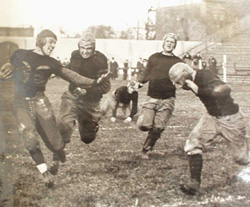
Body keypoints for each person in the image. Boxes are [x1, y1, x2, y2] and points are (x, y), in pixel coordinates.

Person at [6, 29, 108, 188]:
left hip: (40, 100)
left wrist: (94, 83)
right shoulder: (20, 54)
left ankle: (59, 151)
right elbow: (8, 66)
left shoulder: (52, 63)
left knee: (56, 142)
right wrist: (8, 68)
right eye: (51, 42)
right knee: (30, 137)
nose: (53, 46)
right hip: (20, 102)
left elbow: (72, 76)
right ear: (40, 41)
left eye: (55, 43)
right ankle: (44, 172)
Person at [169, 62, 250, 195]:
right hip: (212, 117)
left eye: (179, 82)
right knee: (192, 144)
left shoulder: (204, 75)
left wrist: (198, 89)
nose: (179, 86)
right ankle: (194, 183)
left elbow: (223, 90)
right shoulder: (194, 80)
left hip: (230, 118)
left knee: (241, 158)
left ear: (185, 76)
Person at [58, 32, 111, 160]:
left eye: (88, 48)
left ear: (94, 48)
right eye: (83, 48)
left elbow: (105, 87)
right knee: (64, 123)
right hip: (73, 96)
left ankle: (90, 124)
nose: (85, 52)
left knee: (87, 138)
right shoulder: (75, 55)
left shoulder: (100, 60)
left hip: (90, 103)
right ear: (78, 46)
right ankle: (58, 151)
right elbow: (70, 71)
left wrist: (87, 91)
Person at [137, 33, 183, 159]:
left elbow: (183, 78)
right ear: (163, 43)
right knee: (145, 125)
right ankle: (141, 120)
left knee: (158, 127)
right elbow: (146, 72)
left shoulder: (178, 62)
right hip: (153, 96)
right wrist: (139, 82)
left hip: (168, 98)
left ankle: (146, 149)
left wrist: (185, 84)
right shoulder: (154, 58)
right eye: (167, 41)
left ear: (175, 45)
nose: (169, 44)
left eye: (172, 42)